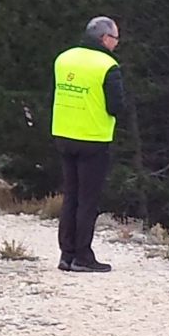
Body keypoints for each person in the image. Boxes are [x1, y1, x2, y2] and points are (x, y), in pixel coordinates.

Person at [51, 16, 125, 273]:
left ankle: (66, 254)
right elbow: (115, 106)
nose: (116, 43)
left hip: (63, 132)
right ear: (105, 38)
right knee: (88, 200)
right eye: (115, 38)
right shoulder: (107, 65)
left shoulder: (64, 58)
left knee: (70, 196)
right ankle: (83, 255)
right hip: (93, 136)